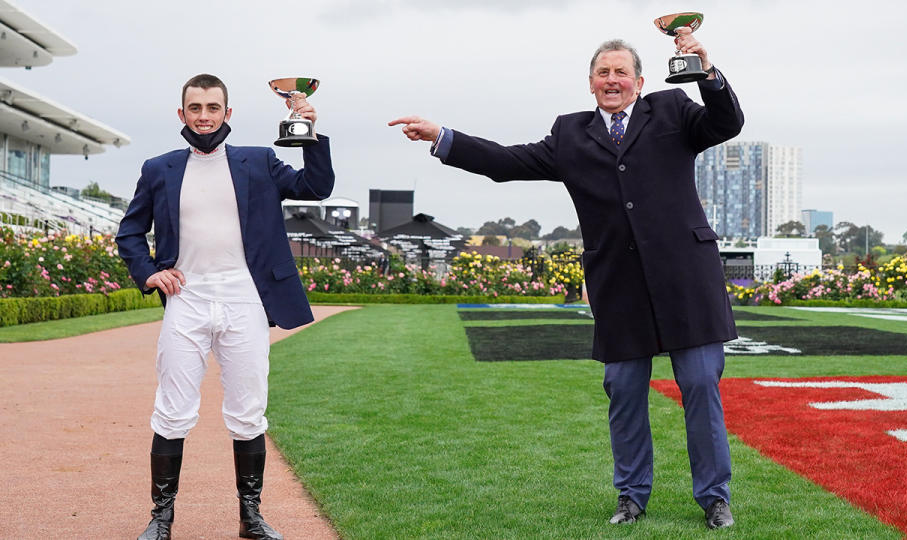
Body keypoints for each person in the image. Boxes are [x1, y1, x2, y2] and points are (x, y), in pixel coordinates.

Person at [389, 28, 742, 529]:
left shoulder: (673, 110)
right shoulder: (570, 134)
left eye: (622, 72)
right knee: (623, 391)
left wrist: (706, 71)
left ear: (640, 82)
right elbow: (506, 163)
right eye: (604, 73)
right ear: (591, 83)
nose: (612, 80)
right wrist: (443, 136)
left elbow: (726, 122)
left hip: (688, 278)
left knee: (701, 385)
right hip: (619, 285)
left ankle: (714, 498)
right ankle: (631, 495)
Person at [117, 73, 335, 540]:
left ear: (227, 113)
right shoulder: (159, 168)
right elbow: (129, 231)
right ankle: (161, 519)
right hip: (186, 299)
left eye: (212, 108)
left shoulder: (259, 162)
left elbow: (317, 187)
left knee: (248, 411)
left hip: (245, 299)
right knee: (173, 410)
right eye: (195, 108)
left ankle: (251, 518)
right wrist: (149, 271)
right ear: (182, 114)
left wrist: (312, 132)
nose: (203, 117)